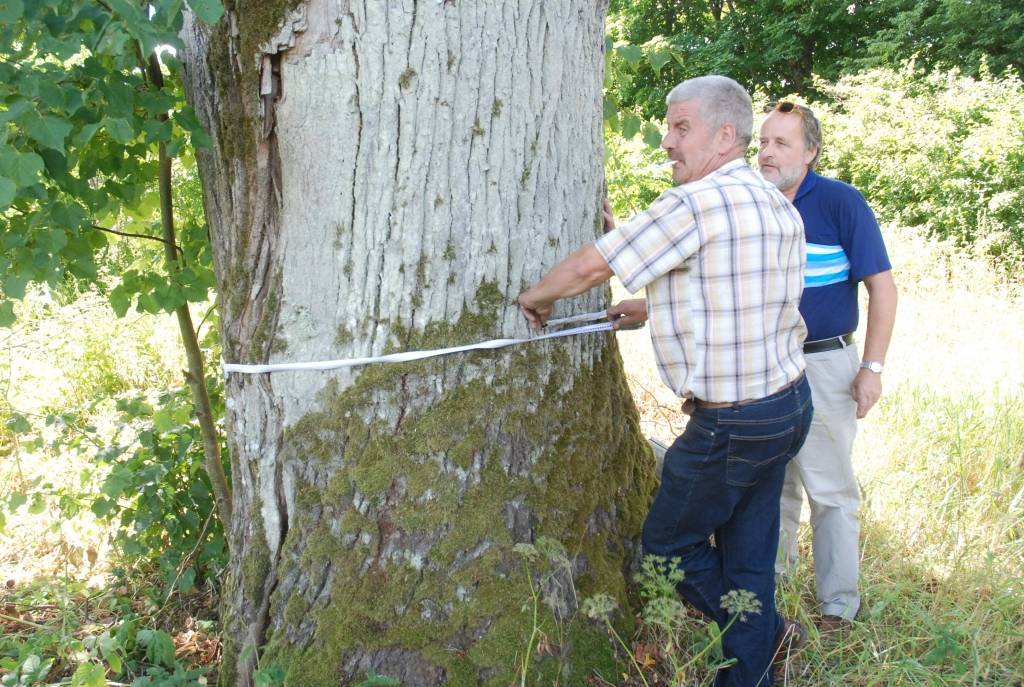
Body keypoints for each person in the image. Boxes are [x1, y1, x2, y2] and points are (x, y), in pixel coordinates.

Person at [519, 75, 813, 687]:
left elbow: (589, 266)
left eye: (681, 128)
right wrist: (655, 307)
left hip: (731, 423)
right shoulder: (771, 201)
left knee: (667, 551)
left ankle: (760, 639)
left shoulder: (693, 205)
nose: (666, 142)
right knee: (749, 561)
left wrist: (536, 297)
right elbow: (739, 292)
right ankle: (757, 667)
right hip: (787, 407)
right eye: (667, 127)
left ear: (725, 135)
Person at [758, 102, 898, 629]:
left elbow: (882, 289)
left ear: (810, 152)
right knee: (773, 482)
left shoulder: (840, 202)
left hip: (826, 363)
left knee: (831, 490)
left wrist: (873, 366)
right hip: (766, 366)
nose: (768, 153)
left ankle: (839, 604)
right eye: (763, 143)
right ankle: (768, 586)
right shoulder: (752, 202)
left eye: (781, 144)